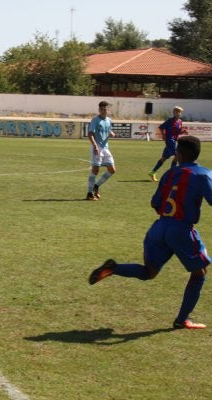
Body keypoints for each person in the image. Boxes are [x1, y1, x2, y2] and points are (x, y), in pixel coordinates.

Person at [89, 136, 212, 330]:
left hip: (159, 228)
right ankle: (182, 319)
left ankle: (114, 268)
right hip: (181, 230)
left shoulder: (169, 174)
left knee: (149, 272)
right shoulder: (203, 174)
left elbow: (155, 202)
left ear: (179, 155)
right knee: (200, 273)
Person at [86, 100, 116, 201]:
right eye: (101, 109)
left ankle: (96, 186)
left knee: (112, 170)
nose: (103, 111)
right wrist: (94, 145)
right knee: (95, 170)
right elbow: (90, 134)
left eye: (105, 109)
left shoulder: (109, 120)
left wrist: (111, 133)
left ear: (108, 110)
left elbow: (108, 130)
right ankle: (89, 193)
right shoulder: (95, 120)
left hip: (105, 148)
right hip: (97, 147)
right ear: (99, 110)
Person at [148, 106, 187, 182]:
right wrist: (164, 135)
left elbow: (177, 132)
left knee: (164, 158)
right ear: (174, 112)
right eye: (177, 111)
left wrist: (183, 132)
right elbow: (161, 127)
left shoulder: (180, 122)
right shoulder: (170, 121)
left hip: (174, 141)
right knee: (178, 155)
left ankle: (152, 172)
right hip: (170, 140)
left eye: (180, 112)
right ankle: (173, 175)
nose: (178, 113)